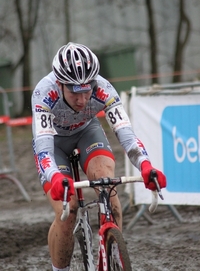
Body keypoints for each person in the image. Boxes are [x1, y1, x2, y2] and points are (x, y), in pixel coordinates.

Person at [31, 42, 167, 271]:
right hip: (54, 142)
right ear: (61, 83)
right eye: (75, 92)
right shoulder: (44, 93)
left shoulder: (104, 88)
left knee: (107, 187)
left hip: (86, 132)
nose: (83, 100)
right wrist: (54, 177)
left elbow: (127, 136)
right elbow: (43, 148)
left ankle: (113, 255)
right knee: (69, 209)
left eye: (87, 90)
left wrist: (145, 165)